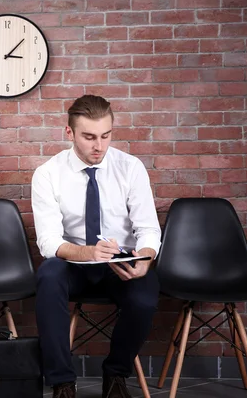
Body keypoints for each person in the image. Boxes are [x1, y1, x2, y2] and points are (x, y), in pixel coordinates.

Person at [31, 95, 161, 398]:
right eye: (89, 137)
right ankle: (62, 382)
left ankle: (116, 375)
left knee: (145, 294)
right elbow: (48, 241)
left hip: (120, 263)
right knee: (48, 275)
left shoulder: (130, 168)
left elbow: (148, 228)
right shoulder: (48, 174)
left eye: (105, 135)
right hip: (73, 263)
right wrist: (87, 252)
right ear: (69, 133)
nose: (98, 146)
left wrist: (146, 258)